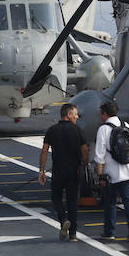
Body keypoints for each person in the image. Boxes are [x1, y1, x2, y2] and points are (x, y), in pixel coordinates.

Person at [39, 103, 88, 242]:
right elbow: (84, 149)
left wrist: (41, 171)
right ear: (69, 115)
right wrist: (85, 163)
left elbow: (44, 150)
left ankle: (63, 219)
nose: (77, 117)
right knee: (72, 201)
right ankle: (73, 234)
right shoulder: (78, 130)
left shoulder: (52, 130)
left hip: (58, 170)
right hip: (74, 171)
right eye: (75, 114)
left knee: (56, 197)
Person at [94, 101, 129, 242]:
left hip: (112, 173)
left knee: (110, 203)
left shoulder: (103, 129)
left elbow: (99, 155)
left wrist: (100, 175)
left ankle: (110, 232)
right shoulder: (126, 125)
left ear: (105, 114)